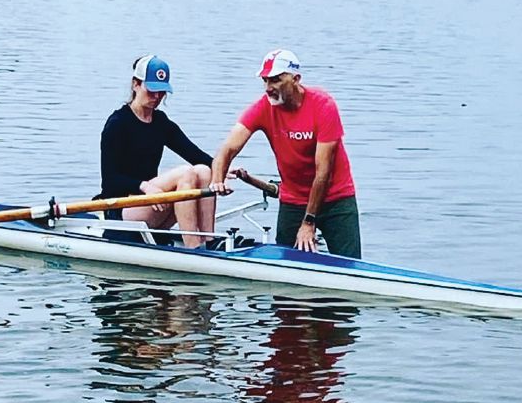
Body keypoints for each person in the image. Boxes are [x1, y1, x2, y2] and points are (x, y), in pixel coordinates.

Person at [210, 48, 362, 258]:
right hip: (294, 201)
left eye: (275, 80)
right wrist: (217, 179)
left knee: (349, 265)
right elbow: (227, 149)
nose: (268, 88)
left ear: (296, 79)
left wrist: (309, 221)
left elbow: (323, 173)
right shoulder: (262, 108)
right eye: (265, 81)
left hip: (335, 198)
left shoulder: (324, 105)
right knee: (287, 263)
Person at [97, 55, 216, 248]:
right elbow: (110, 180)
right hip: (121, 211)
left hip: (152, 204)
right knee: (186, 173)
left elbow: (196, 155)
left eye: (162, 92)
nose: (157, 97)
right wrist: (144, 186)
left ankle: (209, 241)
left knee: (204, 171)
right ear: (136, 84)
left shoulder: (161, 122)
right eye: (152, 90)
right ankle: (193, 247)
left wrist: (224, 169)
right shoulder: (117, 124)